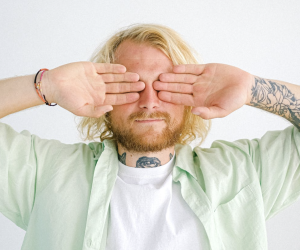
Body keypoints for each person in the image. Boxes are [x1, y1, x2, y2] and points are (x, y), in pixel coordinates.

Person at [0, 23, 299, 250]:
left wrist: (253, 90)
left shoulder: (245, 170)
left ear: (191, 93)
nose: (149, 102)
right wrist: (47, 84)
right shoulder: (44, 172)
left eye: (165, 85)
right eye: (131, 86)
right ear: (103, 93)